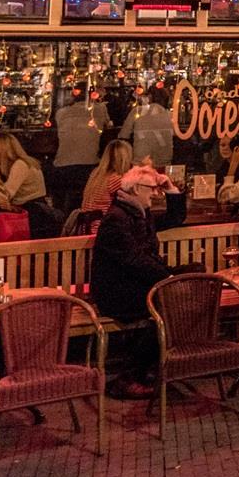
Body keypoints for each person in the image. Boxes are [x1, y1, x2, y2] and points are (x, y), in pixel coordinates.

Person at [89, 165, 184, 399]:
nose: (156, 193)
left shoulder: (139, 212)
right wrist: (168, 279)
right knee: (166, 311)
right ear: (135, 189)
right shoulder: (116, 219)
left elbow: (176, 217)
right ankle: (129, 377)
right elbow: (134, 260)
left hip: (138, 286)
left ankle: (149, 367)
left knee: (193, 277)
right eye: (152, 188)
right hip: (117, 293)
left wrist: (170, 187)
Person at [0, 131, 59, 238]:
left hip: (34, 215)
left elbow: (6, 194)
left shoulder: (20, 165)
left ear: (1, 152)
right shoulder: (20, 164)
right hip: (35, 211)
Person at [80, 140, 133, 232]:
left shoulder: (96, 175)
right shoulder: (115, 180)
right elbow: (136, 201)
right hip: (101, 231)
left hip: (87, 228)